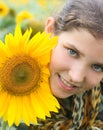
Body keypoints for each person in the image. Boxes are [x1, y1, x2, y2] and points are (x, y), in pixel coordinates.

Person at [28, 0, 103, 129]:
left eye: (97, 67)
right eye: (72, 52)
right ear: (50, 30)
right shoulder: (10, 95)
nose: (76, 77)